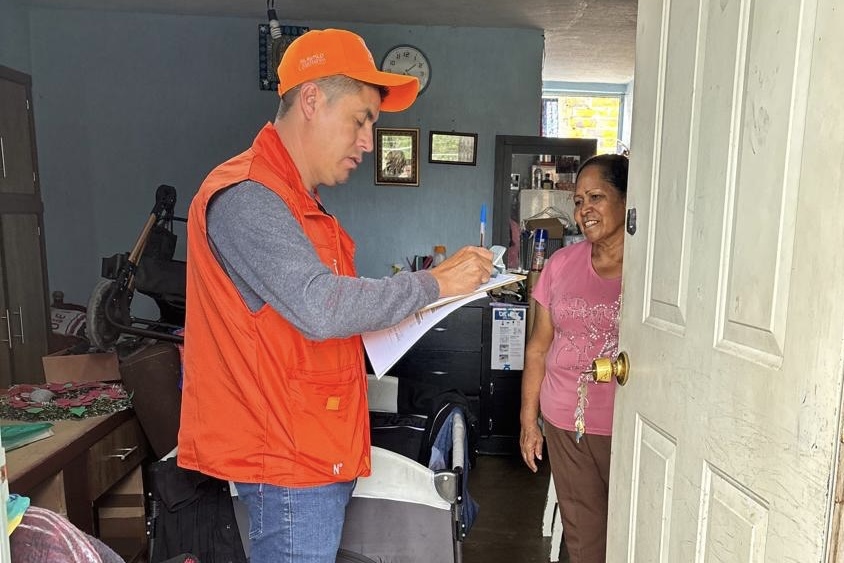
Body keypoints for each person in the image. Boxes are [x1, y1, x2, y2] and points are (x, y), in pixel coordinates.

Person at [176, 28, 493, 563]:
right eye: (361, 119)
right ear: (311, 100)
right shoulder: (249, 196)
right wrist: (436, 283)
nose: (368, 142)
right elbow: (320, 305)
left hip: (313, 445)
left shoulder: (295, 198)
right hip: (288, 460)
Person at [519, 153, 628, 563]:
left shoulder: (654, 273)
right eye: (579, 201)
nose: (585, 211)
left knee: (636, 532)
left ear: (627, 200)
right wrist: (529, 421)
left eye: (596, 197)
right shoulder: (561, 265)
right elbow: (538, 347)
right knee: (585, 538)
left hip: (630, 427)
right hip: (568, 424)